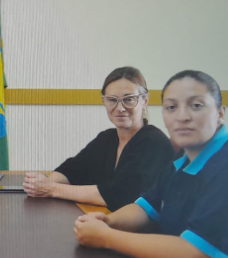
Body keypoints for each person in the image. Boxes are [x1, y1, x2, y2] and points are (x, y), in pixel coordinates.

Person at [75, 70, 228, 258]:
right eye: (171, 107)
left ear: (220, 113)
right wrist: (108, 221)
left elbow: (197, 257)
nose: (182, 116)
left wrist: (106, 237)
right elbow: (146, 207)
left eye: (196, 106)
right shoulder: (183, 159)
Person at [24, 67, 173, 210]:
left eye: (129, 99)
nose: (120, 108)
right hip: (106, 220)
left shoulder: (154, 143)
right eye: (112, 100)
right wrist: (41, 183)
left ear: (144, 101)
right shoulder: (107, 138)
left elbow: (117, 195)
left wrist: (51, 189)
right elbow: (71, 170)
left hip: (145, 227)